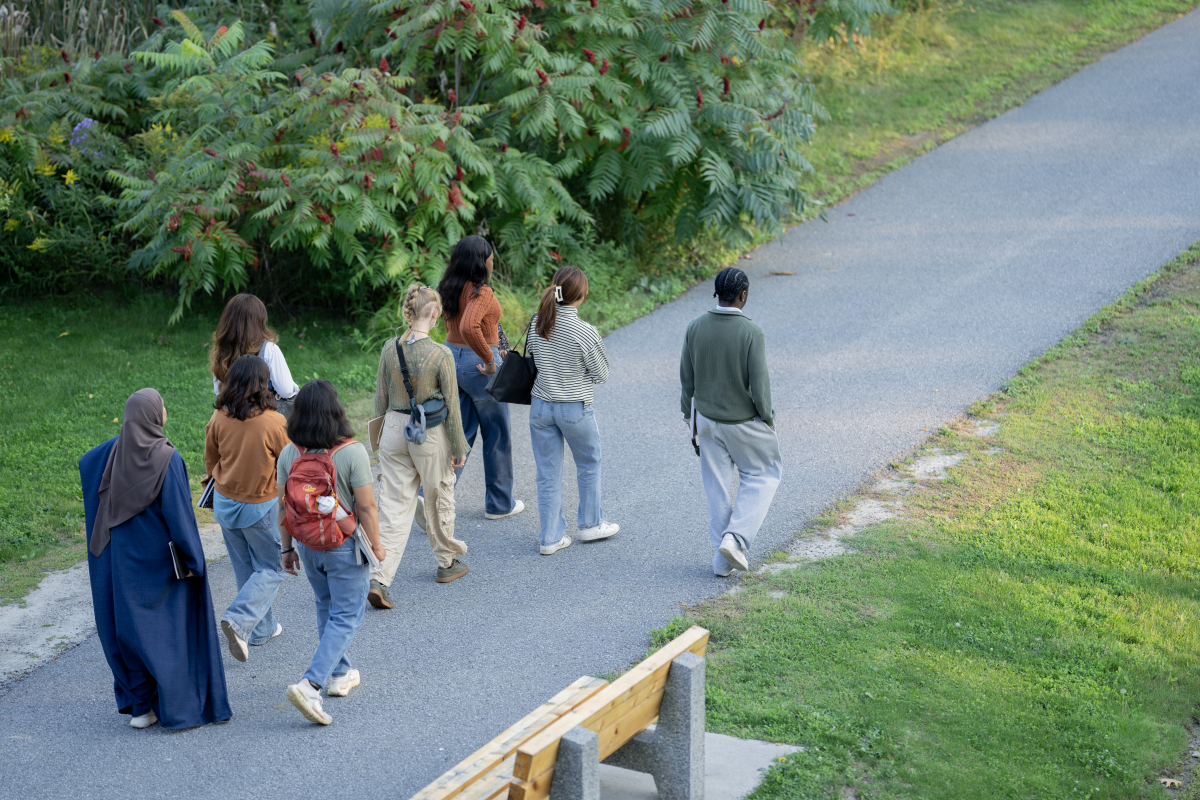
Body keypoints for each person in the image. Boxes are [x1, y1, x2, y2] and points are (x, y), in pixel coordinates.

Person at [79, 388, 231, 730]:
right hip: (159, 562)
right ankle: (177, 709)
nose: (164, 412)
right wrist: (195, 561)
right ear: (155, 416)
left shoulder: (110, 455)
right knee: (166, 632)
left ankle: (140, 709)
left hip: (119, 562)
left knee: (128, 629)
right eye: (161, 407)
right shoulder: (167, 459)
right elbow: (179, 516)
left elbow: (86, 463)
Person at [277, 380, 385, 725]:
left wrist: (286, 549)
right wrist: (378, 547)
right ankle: (311, 684)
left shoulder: (289, 453)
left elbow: (284, 509)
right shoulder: (351, 453)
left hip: (309, 546)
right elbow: (366, 508)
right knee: (347, 615)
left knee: (326, 607)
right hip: (343, 546)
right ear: (335, 412)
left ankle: (340, 674)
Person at [370, 286, 471, 609]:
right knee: (439, 493)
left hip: (394, 430)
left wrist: (377, 443)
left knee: (393, 506)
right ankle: (446, 563)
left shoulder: (389, 348)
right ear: (434, 314)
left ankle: (379, 578)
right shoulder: (441, 354)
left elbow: (380, 400)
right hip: (427, 432)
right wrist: (459, 446)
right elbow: (453, 407)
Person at [680, 267, 783, 576]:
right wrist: (768, 418)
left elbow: (687, 379)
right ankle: (735, 538)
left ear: (717, 293)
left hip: (706, 420)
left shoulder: (695, 327)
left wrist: (689, 417)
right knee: (764, 474)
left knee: (717, 488)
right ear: (743, 295)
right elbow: (759, 383)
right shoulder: (751, 332)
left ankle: (722, 561)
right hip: (741, 421)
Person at [525, 266, 618, 555]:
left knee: (547, 473)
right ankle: (590, 525)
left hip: (540, 407)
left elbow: (534, 356)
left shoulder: (537, 323)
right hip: (574, 409)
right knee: (589, 463)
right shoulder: (585, 331)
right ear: (582, 295)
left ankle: (550, 538)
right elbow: (601, 374)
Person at [204, 354, 291, 661]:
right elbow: (289, 464)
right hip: (259, 508)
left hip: (226, 506)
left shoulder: (218, 419)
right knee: (274, 567)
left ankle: (262, 629)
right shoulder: (274, 422)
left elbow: (211, 461)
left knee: (247, 570)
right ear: (263, 385)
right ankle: (240, 620)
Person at [435, 235, 524, 521]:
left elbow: (461, 326)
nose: (493, 261)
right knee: (497, 432)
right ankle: (499, 504)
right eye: (490, 256)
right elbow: (470, 327)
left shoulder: (450, 285)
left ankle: (434, 498)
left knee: (461, 432)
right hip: (478, 365)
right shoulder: (480, 291)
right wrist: (488, 359)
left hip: (452, 359)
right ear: (480, 261)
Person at [210, 293, 300, 417]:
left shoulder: (221, 349)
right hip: (264, 417)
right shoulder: (269, 349)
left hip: (231, 414)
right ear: (260, 321)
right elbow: (286, 391)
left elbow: (218, 391)